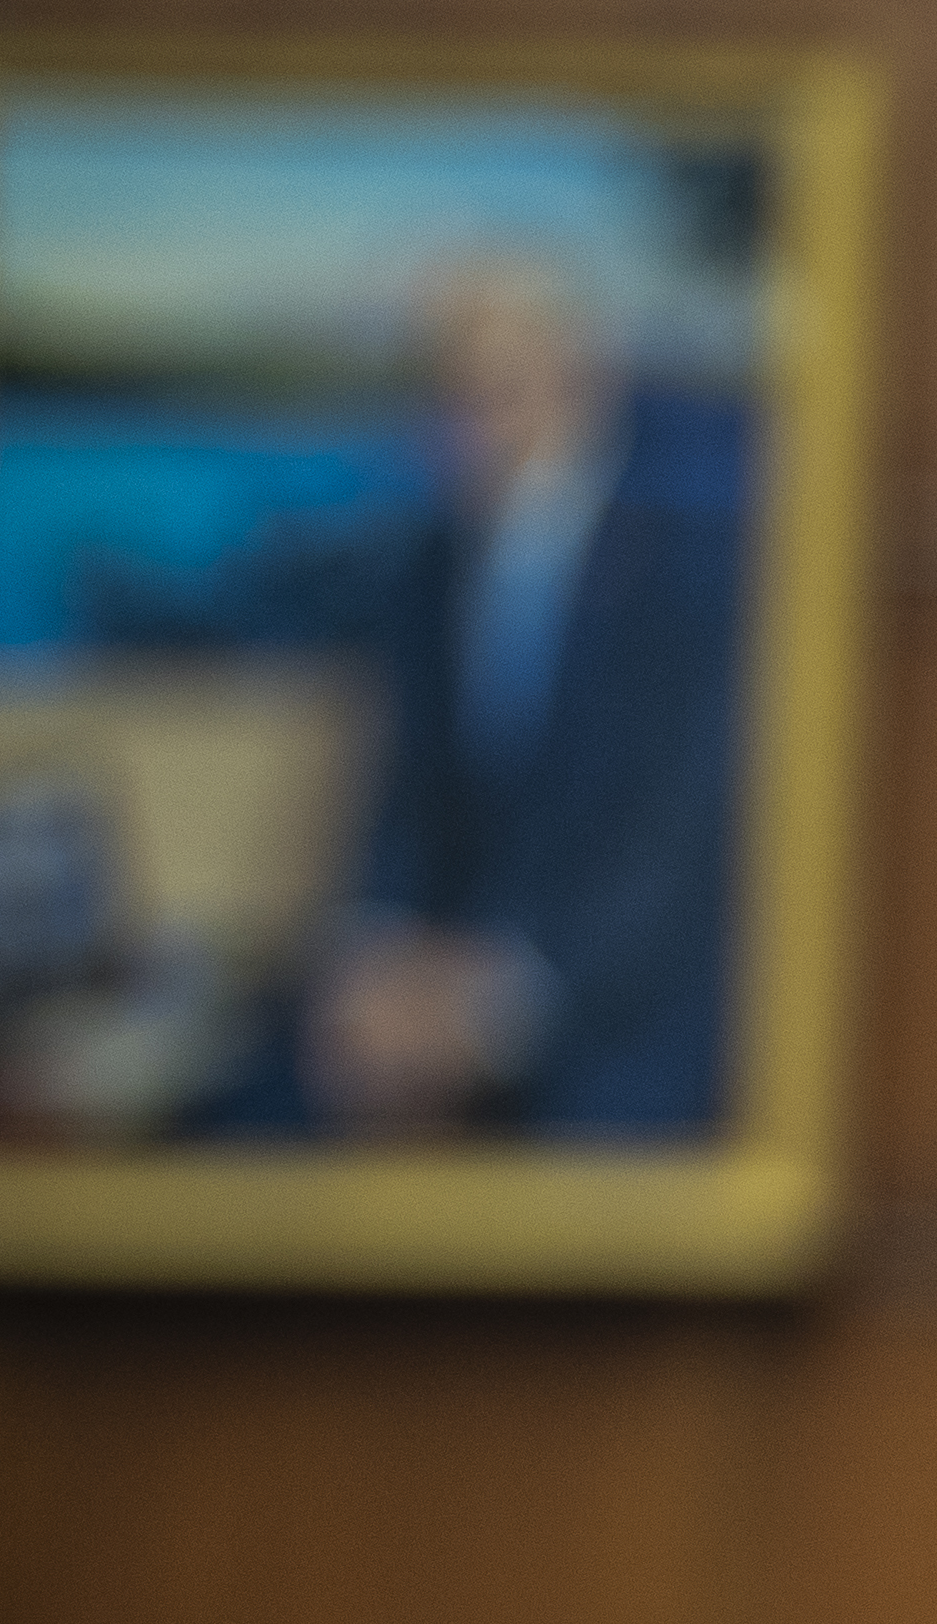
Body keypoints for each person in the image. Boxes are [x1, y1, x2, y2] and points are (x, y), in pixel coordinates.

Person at [288, 251, 748, 1142]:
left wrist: (500, 997)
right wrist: (377, 952)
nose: (464, 428)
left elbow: (686, 839)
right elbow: (407, 800)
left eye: (496, 391)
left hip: (631, 1032)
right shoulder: (431, 563)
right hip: (457, 1015)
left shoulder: (694, 566)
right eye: (445, 397)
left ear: (579, 382)